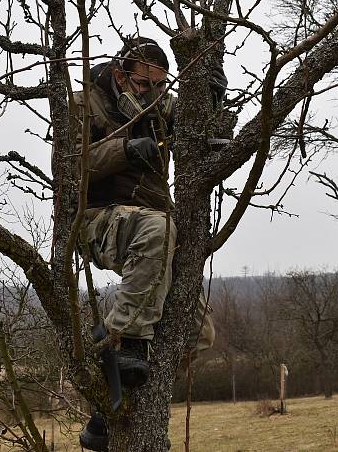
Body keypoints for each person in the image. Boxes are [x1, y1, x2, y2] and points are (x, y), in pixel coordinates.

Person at [76, 37, 223, 451]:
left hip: (156, 227)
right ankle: (123, 340)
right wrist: (124, 149)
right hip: (100, 218)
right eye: (144, 84)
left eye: (161, 86)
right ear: (122, 75)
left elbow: (200, 127)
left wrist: (212, 98)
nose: (153, 94)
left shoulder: (159, 103)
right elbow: (72, 162)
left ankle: (107, 411)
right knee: (156, 228)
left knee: (198, 331)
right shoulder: (85, 101)